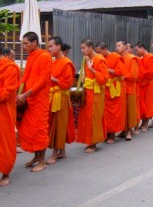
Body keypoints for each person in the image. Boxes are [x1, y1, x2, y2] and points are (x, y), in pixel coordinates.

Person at [16, 31, 52, 172]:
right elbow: (26, 77)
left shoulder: (44, 56)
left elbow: (43, 80)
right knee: (29, 129)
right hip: (29, 98)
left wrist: (26, 93)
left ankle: (42, 161)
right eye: (23, 44)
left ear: (34, 43)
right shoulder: (32, 56)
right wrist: (19, 91)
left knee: (39, 129)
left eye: (26, 43)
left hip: (39, 98)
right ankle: (37, 156)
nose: (23, 46)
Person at [47, 37, 76, 165]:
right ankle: (62, 151)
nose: (49, 49)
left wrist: (54, 79)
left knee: (59, 125)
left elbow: (67, 84)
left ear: (58, 46)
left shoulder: (66, 63)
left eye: (51, 46)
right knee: (55, 123)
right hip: (53, 96)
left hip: (61, 97)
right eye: (48, 46)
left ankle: (55, 152)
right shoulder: (53, 62)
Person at [77, 38, 109, 153]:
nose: (82, 50)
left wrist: (91, 69)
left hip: (96, 92)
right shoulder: (87, 59)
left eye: (84, 48)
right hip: (88, 91)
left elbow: (104, 78)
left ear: (90, 48)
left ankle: (94, 143)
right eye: (81, 48)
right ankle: (89, 140)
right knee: (87, 117)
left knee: (94, 116)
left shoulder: (99, 59)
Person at [96, 42, 126, 144]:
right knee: (105, 112)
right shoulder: (100, 59)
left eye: (100, 52)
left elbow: (121, 72)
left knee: (113, 112)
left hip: (114, 88)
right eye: (97, 52)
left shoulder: (116, 57)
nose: (98, 54)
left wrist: (106, 69)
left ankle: (112, 134)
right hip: (104, 88)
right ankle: (106, 133)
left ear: (105, 49)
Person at [0, 47, 20, 186]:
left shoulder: (10, 68)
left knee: (4, 141)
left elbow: (7, 91)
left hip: (4, 110)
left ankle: (6, 172)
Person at [116, 40, 138, 140]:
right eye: (116, 46)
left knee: (129, 109)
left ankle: (129, 130)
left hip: (129, 87)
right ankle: (123, 129)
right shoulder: (117, 58)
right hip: (119, 87)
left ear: (125, 46)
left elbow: (133, 76)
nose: (117, 48)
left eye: (119, 45)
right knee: (122, 110)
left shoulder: (132, 58)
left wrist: (122, 76)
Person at [135, 42, 153, 131]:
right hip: (141, 83)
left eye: (137, 50)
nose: (136, 52)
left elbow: (151, 72)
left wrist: (141, 74)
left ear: (142, 48)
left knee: (148, 103)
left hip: (148, 84)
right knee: (142, 104)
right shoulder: (141, 58)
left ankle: (146, 123)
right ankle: (143, 122)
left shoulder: (150, 57)